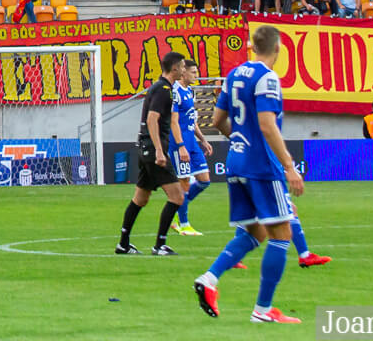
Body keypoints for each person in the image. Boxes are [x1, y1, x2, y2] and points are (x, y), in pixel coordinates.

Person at [192, 25, 303, 323]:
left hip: (236, 163)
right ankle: (263, 310)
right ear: (277, 49)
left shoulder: (234, 75)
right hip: (261, 165)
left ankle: (209, 279)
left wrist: (240, 141)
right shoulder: (268, 78)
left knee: (256, 232)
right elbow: (267, 124)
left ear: (253, 47)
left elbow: (217, 120)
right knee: (282, 234)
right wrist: (290, 167)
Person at [116, 51, 187, 256]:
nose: (183, 70)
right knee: (177, 197)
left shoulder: (163, 88)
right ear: (174, 68)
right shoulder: (164, 89)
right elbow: (152, 119)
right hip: (153, 150)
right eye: (182, 66)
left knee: (141, 198)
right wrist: (159, 150)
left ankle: (123, 243)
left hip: (146, 148)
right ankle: (159, 245)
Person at [172, 58, 213, 237]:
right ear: (184, 72)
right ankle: (185, 224)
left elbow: (191, 119)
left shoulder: (190, 91)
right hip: (180, 143)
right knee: (184, 183)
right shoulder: (175, 92)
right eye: (194, 72)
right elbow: (173, 121)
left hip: (192, 142)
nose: (196, 75)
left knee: (204, 180)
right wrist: (180, 145)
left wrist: (203, 139)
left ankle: (174, 208)